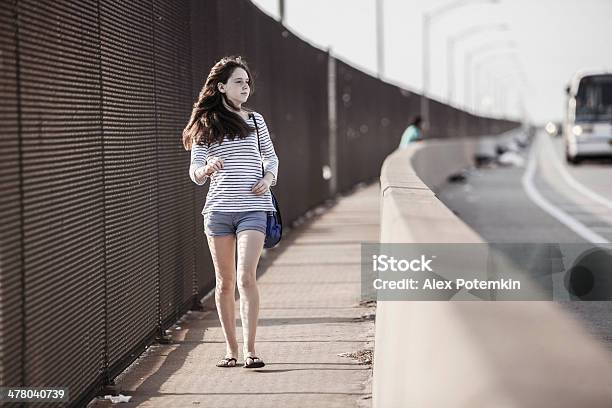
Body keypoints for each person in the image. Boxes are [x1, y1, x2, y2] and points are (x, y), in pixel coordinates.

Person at [182, 56, 279, 369]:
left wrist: (267, 178)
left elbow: (271, 158)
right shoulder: (205, 124)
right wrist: (206, 168)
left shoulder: (255, 120)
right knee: (223, 284)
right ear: (221, 86)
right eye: (238, 81)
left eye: (247, 82)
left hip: (254, 208)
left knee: (245, 278)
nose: (245, 87)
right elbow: (195, 171)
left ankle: (251, 351)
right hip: (219, 211)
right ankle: (231, 351)